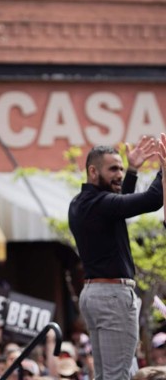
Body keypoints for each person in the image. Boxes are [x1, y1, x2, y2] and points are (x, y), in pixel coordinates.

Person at [68, 136, 163, 379]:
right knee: (118, 376)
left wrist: (132, 171)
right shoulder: (100, 204)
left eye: (120, 168)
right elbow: (152, 199)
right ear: (92, 171)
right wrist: (164, 169)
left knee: (106, 376)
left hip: (95, 296)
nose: (119, 174)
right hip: (111, 298)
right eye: (113, 169)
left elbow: (120, 205)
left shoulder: (80, 203)